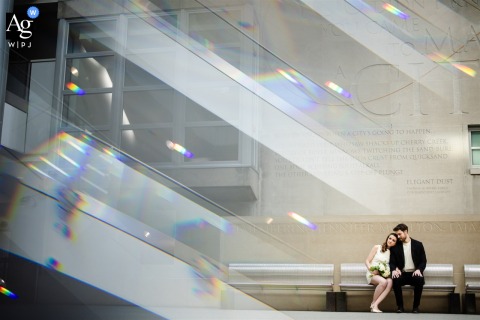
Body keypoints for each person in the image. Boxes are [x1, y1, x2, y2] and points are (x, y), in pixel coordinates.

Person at [390, 223, 427, 314]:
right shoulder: (396, 246)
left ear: (406, 232)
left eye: (399, 234)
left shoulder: (418, 244)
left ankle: (415, 307)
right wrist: (394, 269)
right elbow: (391, 262)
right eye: (397, 234)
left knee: (419, 280)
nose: (398, 237)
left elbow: (423, 261)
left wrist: (419, 270)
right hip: (402, 273)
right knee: (395, 279)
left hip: (414, 273)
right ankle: (400, 307)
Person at [365, 232, 397, 313]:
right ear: (387, 238)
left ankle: (375, 305)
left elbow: (391, 265)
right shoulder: (377, 247)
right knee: (383, 282)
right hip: (372, 273)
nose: (390, 241)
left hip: (382, 274)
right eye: (390, 238)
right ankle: (373, 303)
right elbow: (367, 261)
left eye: (393, 240)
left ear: (395, 243)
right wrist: (372, 270)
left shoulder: (392, 253)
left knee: (390, 282)